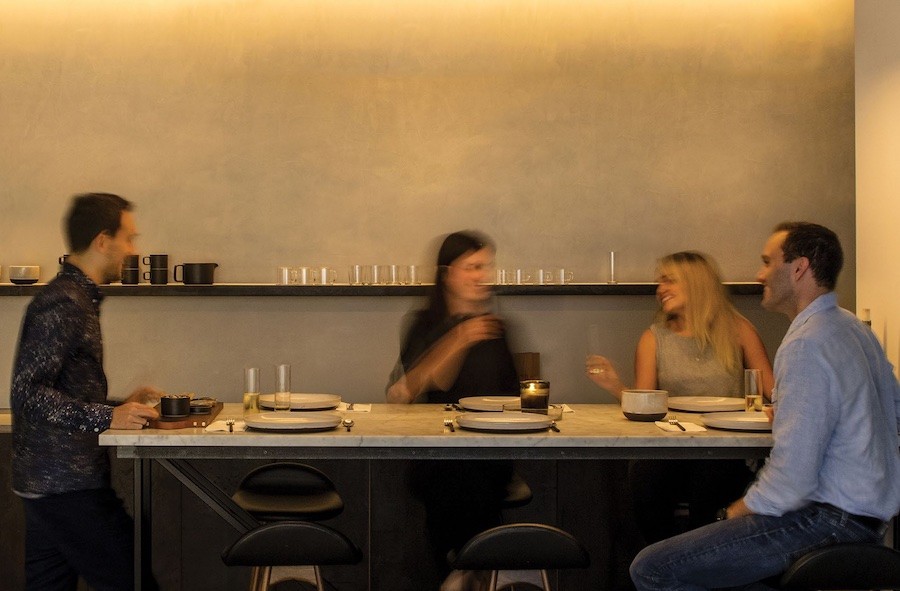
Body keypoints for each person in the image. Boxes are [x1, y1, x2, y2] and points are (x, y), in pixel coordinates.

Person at [630, 222, 900, 590]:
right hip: (871, 520)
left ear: (799, 268)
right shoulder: (854, 329)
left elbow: (792, 481)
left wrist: (733, 513)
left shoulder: (806, 343)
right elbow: (892, 415)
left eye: (767, 262)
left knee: (651, 567)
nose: (759, 274)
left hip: (825, 521)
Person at [11, 193, 162, 591]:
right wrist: (108, 416)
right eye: (129, 238)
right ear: (102, 240)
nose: (134, 249)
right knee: (134, 581)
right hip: (66, 487)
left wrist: (120, 406)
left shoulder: (78, 300)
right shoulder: (64, 303)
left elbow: (61, 392)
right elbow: (27, 393)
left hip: (50, 484)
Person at [585, 251, 774, 543]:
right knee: (644, 481)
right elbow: (646, 408)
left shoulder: (739, 330)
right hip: (671, 444)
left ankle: (703, 565)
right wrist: (616, 386)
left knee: (712, 484)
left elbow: (772, 391)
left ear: (696, 284)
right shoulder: (654, 338)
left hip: (726, 447)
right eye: (659, 283)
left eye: (669, 281)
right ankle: (661, 562)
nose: (660, 290)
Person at [386, 230, 519, 590]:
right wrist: (459, 338)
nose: (483, 276)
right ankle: (469, 567)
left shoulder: (496, 329)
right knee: (453, 473)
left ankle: (461, 568)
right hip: (437, 455)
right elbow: (410, 390)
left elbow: (514, 395)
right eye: (473, 267)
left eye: (487, 266)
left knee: (472, 473)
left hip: (491, 456)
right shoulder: (423, 324)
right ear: (447, 273)